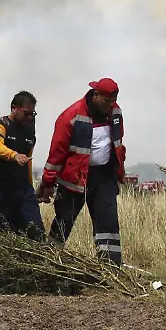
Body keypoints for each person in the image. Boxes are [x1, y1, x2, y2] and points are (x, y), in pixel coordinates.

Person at [37, 78, 127, 266]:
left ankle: (111, 270)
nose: (110, 105)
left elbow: (118, 144)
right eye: (106, 101)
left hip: (104, 178)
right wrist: (48, 182)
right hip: (74, 180)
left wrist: (119, 171)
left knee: (108, 224)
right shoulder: (71, 116)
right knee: (64, 221)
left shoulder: (115, 112)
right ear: (95, 95)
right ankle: (47, 263)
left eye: (113, 101)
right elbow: (56, 154)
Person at [0, 91, 45, 242]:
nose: (30, 117)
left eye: (33, 113)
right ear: (14, 108)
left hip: (22, 188)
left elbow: (29, 158)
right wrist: (14, 155)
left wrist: (30, 187)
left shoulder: (30, 128)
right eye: (27, 113)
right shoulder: (0, 125)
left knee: (36, 231)